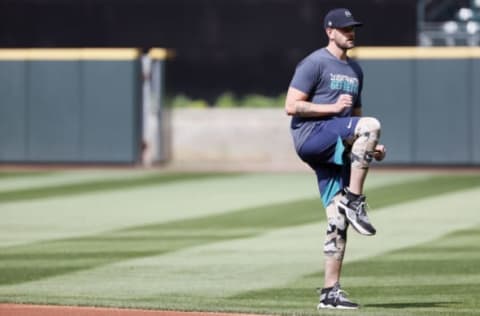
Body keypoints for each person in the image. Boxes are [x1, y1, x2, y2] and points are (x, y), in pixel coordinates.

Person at [284, 8, 386, 310]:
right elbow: (291, 106)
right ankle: (355, 199)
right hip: (312, 136)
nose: (350, 33)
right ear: (330, 31)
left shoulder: (356, 71)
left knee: (336, 219)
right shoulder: (314, 63)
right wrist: (331, 110)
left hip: (338, 142)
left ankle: (330, 292)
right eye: (344, 29)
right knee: (372, 124)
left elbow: (357, 119)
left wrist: (369, 146)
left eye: (353, 28)